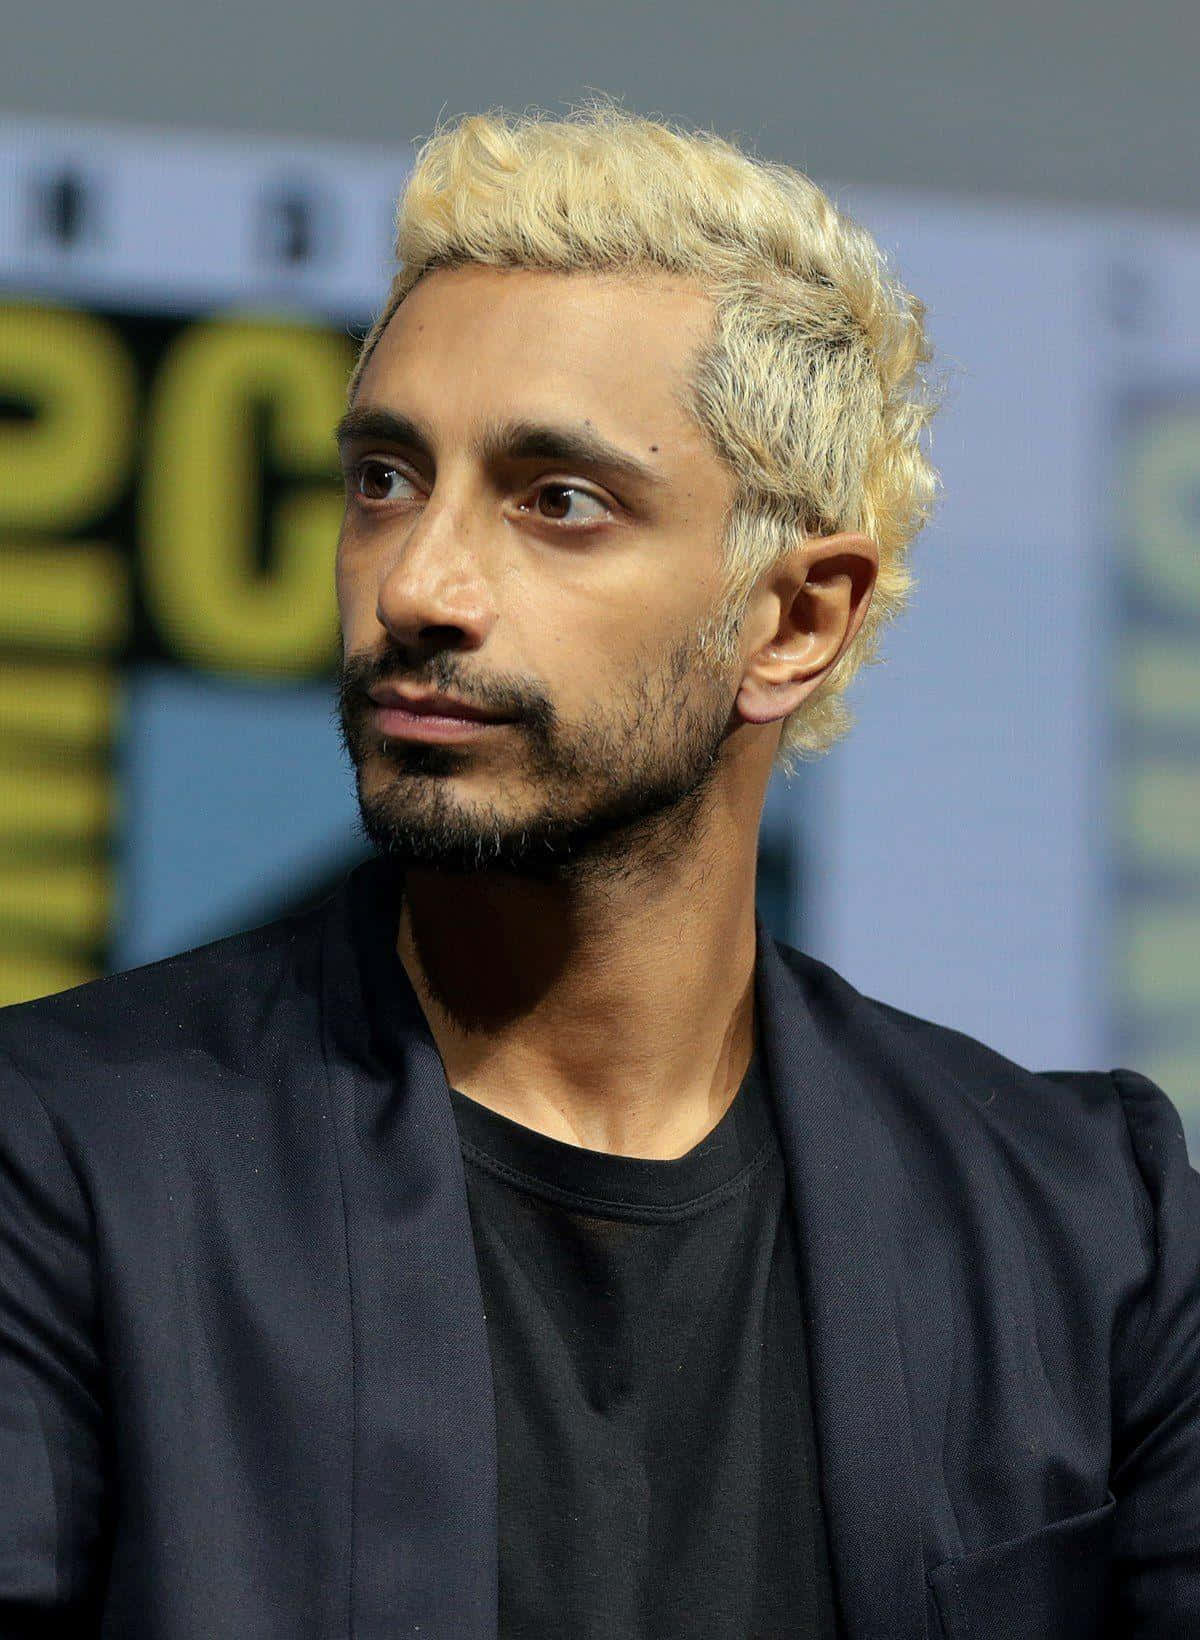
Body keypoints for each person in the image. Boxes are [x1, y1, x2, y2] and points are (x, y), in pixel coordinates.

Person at [1, 96, 1197, 1640]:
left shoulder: (1087, 1227)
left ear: (796, 622)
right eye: (384, 480)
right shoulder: (66, 1157)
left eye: (557, 502)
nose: (418, 585)